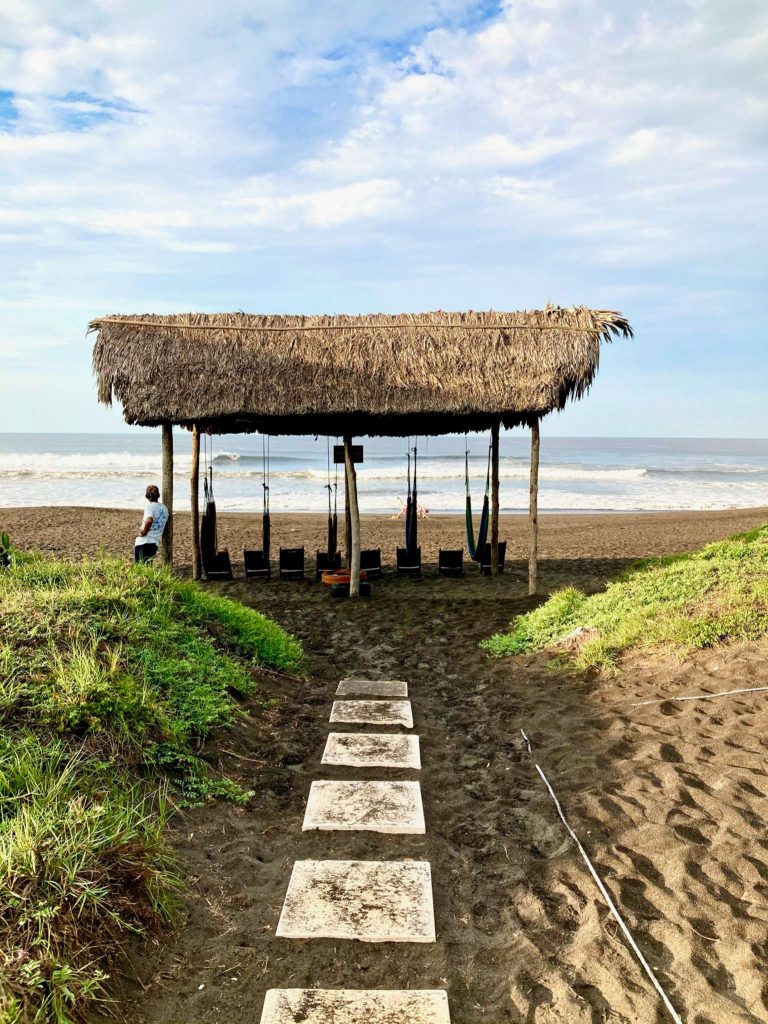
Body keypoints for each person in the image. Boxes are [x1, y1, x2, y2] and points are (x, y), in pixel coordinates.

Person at [134, 485, 169, 562]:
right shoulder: (165, 509)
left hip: (144, 540)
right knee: (148, 565)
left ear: (147, 495)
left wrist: (143, 532)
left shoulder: (149, 507)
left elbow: (149, 520)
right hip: (155, 541)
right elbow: (164, 524)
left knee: (139, 567)